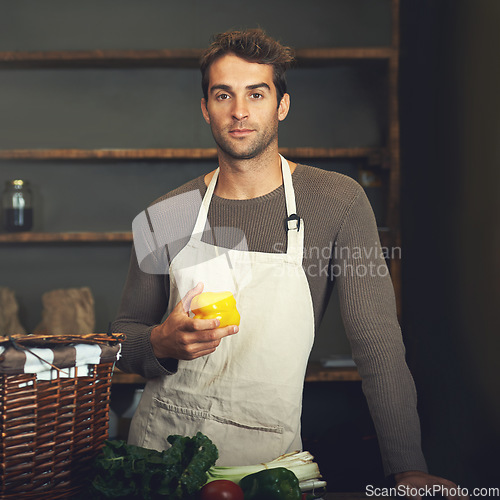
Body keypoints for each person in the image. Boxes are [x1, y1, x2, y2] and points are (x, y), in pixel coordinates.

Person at [113, 28, 465, 498]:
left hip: (269, 471)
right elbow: (122, 337)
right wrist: (159, 341)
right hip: (161, 464)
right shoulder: (166, 214)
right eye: (224, 95)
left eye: (256, 94)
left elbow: (378, 344)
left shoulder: (337, 201)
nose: (240, 111)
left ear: (281, 106)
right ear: (206, 109)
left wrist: (407, 468)